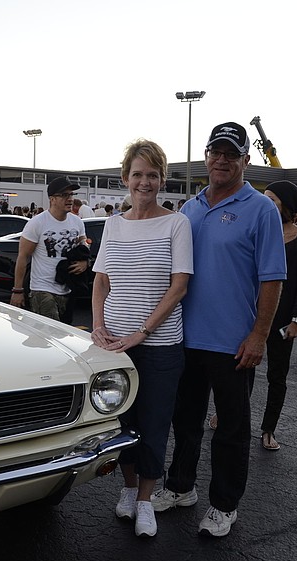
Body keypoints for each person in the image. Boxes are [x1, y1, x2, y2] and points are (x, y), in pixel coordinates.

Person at [151, 122, 286, 538]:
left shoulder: (261, 209)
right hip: (185, 338)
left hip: (234, 344)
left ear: (246, 160)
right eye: (216, 152)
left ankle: (224, 505)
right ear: (206, 157)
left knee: (230, 430)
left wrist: (260, 334)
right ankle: (180, 487)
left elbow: (272, 278)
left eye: (231, 153)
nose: (222, 160)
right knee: (186, 421)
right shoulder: (189, 209)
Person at [90, 139, 192, 537]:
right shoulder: (114, 225)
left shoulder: (176, 223)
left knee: (154, 424)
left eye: (152, 174)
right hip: (115, 345)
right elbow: (101, 281)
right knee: (123, 424)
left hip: (160, 346)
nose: (144, 182)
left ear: (162, 179)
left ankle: (148, 500)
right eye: (137, 174)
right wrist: (98, 325)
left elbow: (179, 286)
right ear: (125, 179)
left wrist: (142, 332)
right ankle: (130, 490)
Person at [256, 181, 297, 451]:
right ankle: (230, 413)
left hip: (282, 319)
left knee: (277, 376)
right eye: (264, 198)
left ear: (286, 206)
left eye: (272, 200)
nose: (265, 203)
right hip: (251, 313)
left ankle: (268, 429)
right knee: (240, 369)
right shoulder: (257, 231)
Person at [10, 177, 88, 322]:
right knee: (50, 334)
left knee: (63, 335)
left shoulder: (76, 222)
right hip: (42, 289)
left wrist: (84, 262)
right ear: (52, 199)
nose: (70, 199)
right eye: (64, 195)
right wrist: (18, 290)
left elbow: (83, 243)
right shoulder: (37, 223)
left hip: (67, 288)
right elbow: (23, 256)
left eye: (71, 195)